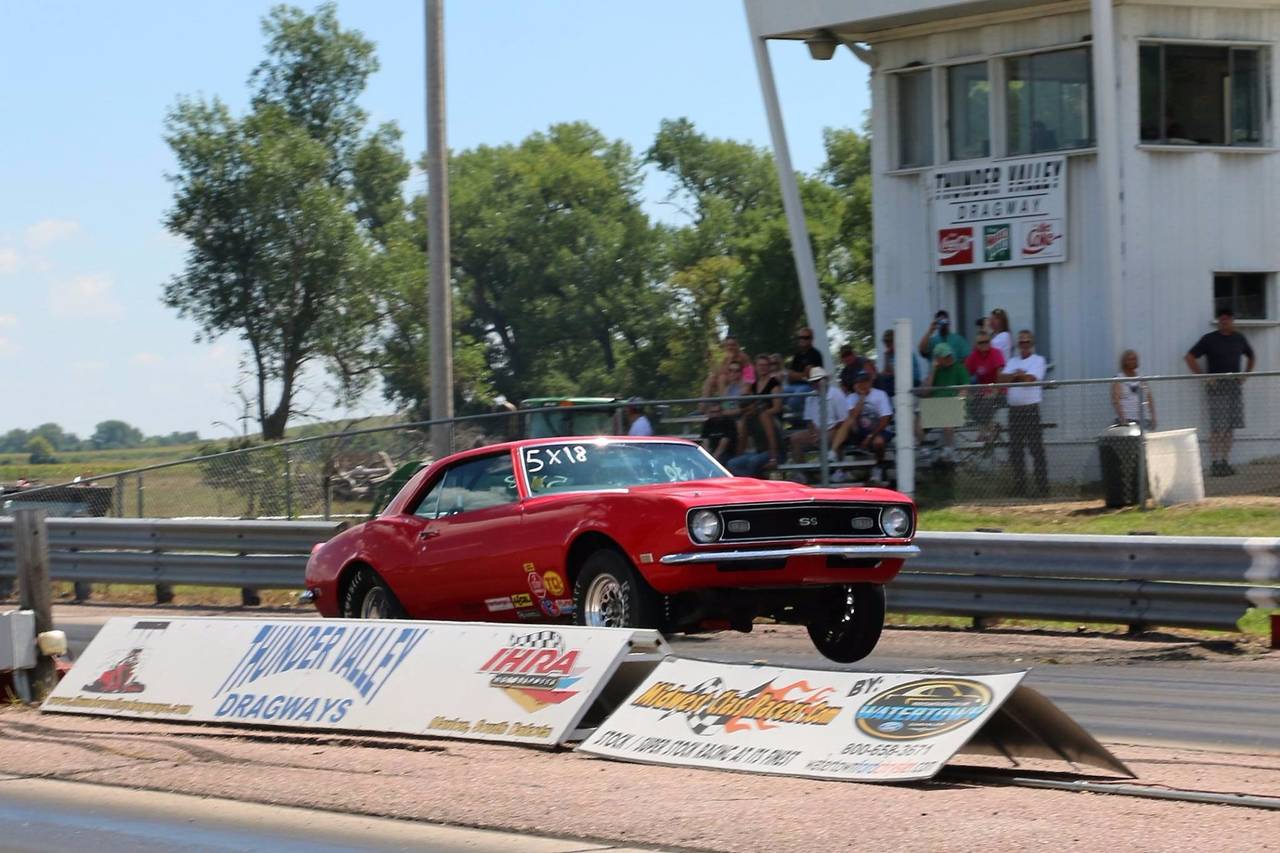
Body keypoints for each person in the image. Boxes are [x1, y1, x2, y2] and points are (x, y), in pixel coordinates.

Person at [1186, 307, 1255, 476]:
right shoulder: (1210, 339)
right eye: (1222, 319)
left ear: (1232, 321)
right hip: (1216, 387)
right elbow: (1190, 357)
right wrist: (1204, 377)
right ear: (1218, 321)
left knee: (1230, 426)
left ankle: (1225, 461)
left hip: (1234, 386)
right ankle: (1215, 463)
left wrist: (1245, 376)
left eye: (1228, 319)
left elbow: (1251, 356)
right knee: (1217, 427)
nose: (1225, 322)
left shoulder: (1239, 338)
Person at [999, 330, 1049, 497]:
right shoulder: (1013, 361)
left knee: (1036, 449)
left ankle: (1043, 488)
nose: (1024, 345)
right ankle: (1020, 488)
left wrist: (1017, 377)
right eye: (1021, 342)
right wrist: (1018, 375)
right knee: (1016, 450)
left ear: (1032, 344)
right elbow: (1001, 380)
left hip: (1030, 409)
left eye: (1027, 342)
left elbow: (1030, 380)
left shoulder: (1038, 360)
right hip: (1014, 411)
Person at [829, 370, 894, 485]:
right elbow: (852, 417)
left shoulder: (880, 394)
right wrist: (862, 397)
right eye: (860, 382)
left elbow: (885, 420)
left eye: (866, 381)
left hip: (877, 430)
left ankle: (878, 468)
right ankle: (835, 459)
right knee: (843, 425)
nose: (863, 384)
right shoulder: (851, 397)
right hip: (859, 430)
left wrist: (870, 436)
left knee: (878, 442)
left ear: (870, 382)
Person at [787, 366, 849, 465]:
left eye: (819, 380)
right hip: (818, 431)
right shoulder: (810, 397)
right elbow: (809, 420)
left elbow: (843, 421)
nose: (817, 383)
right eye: (814, 381)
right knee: (795, 438)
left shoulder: (836, 394)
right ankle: (802, 472)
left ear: (826, 380)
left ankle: (836, 466)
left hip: (834, 430)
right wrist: (814, 433)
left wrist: (825, 433)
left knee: (829, 436)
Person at [922, 342, 971, 460]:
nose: (949, 358)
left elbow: (965, 390)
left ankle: (949, 449)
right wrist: (933, 370)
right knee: (916, 422)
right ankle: (925, 450)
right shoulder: (936, 371)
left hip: (954, 406)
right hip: (936, 407)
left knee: (946, 416)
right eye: (945, 357)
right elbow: (925, 392)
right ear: (938, 359)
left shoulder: (959, 367)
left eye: (949, 355)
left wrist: (955, 402)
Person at [965, 330, 1006, 442]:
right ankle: (992, 428)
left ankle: (984, 431)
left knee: (985, 402)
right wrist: (967, 391)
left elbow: (1000, 375)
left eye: (986, 341)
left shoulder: (996, 353)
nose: (984, 344)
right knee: (970, 402)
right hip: (983, 391)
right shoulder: (973, 356)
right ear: (976, 345)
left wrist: (995, 391)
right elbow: (965, 375)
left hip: (999, 391)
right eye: (981, 342)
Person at [1112, 349, 1156, 430]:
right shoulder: (1119, 379)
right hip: (1127, 419)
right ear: (1124, 362)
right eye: (1130, 359)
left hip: (1143, 419)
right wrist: (1123, 419)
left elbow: (1149, 398)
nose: (1134, 361)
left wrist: (1153, 417)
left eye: (1135, 359)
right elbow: (1116, 401)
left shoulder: (1141, 378)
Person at [784, 327, 824, 415]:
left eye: (806, 337)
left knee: (795, 399)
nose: (803, 339)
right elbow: (790, 377)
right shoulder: (797, 355)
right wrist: (803, 374)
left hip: (810, 387)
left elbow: (813, 377)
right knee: (779, 394)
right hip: (795, 386)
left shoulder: (816, 354)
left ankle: (803, 421)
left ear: (811, 339)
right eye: (800, 337)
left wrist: (796, 375)